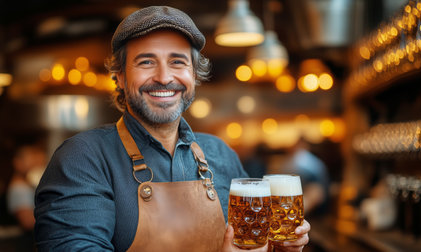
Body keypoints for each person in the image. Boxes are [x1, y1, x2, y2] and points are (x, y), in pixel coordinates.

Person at [34, 5, 310, 252]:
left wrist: (279, 250)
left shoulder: (220, 154)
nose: (164, 77)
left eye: (177, 62)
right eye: (146, 62)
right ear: (119, 76)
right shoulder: (84, 157)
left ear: (194, 75)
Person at [7, 141, 47, 251]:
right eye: (32, 161)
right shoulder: (19, 188)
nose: (37, 165)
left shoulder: (27, 186)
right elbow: (28, 222)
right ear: (17, 163)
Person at [283, 137, 330, 216]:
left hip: (315, 207)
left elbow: (317, 191)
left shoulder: (302, 160)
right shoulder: (314, 161)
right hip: (318, 204)